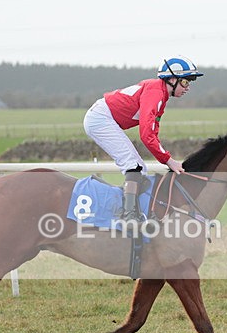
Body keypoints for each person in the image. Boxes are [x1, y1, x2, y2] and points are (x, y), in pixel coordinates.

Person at [83, 56, 204, 220]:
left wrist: (166, 158)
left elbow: (153, 132)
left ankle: (132, 210)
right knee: (134, 166)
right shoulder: (155, 92)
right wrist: (168, 160)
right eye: (185, 82)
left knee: (140, 169)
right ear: (171, 79)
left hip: (103, 118)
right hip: (100, 119)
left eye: (189, 83)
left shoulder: (161, 94)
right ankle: (129, 215)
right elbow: (146, 135)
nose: (187, 87)